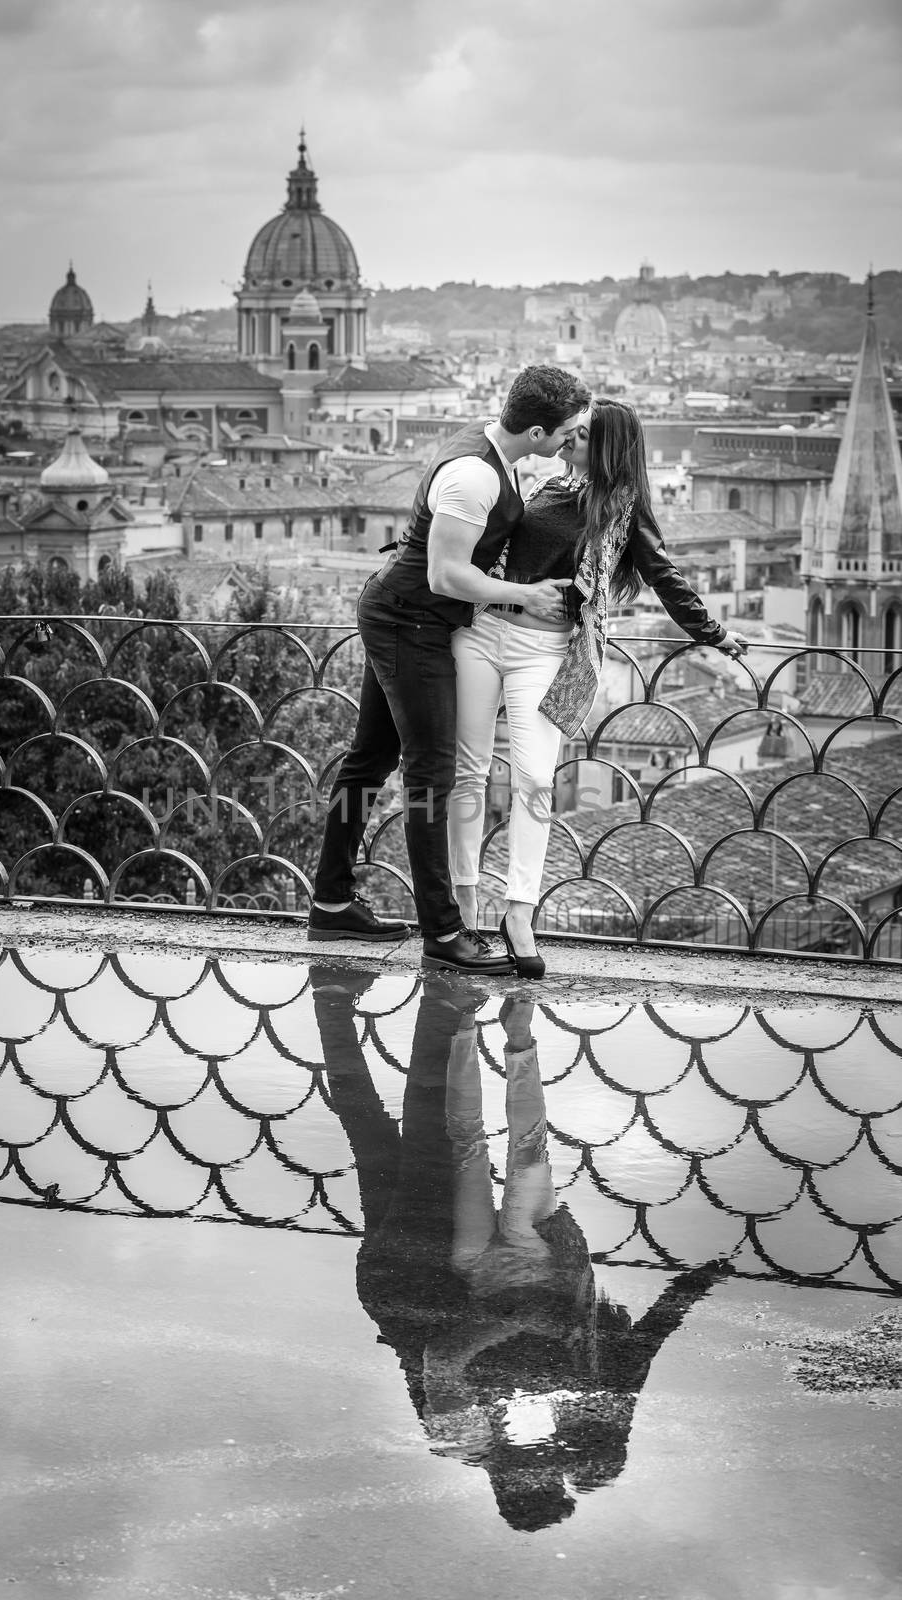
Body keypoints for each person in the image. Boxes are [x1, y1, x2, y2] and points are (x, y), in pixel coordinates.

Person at [308, 967, 729, 1531]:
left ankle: (434, 1013)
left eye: (527, 1483)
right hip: (458, 1270)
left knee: (432, 1140)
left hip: (417, 1274)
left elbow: (441, 1358)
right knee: (431, 1139)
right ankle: (424, 1014)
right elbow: (644, 1342)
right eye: (546, 1476)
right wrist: (699, 1283)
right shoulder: (575, 1409)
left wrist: (514, 1319)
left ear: (505, 1491)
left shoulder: (467, 1441)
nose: (535, 1469)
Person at [447, 398, 750, 978]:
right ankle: (462, 906)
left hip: (546, 648)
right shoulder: (544, 486)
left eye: (580, 434)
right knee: (469, 772)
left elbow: (664, 575)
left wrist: (713, 632)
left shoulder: (623, 511)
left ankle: (517, 912)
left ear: (606, 446)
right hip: (483, 635)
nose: (567, 440)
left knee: (533, 779)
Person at [308, 365, 592, 975]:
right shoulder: (472, 473)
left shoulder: (492, 452)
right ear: (538, 430)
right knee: (432, 772)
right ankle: (442, 930)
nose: (571, 441)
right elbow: (444, 574)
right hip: (411, 618)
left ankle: (331, 901)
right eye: (567, 431)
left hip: (410, 615)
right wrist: (525, 597)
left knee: (370, 759)